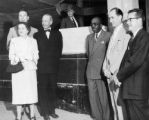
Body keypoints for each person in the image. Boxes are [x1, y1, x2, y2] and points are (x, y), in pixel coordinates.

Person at [113, 8, 149, 120]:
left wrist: (119, 76)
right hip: (131, 89)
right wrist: (118, 73)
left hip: (137, 90)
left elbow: (135, 61)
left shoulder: (144, 36)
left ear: (139, 20)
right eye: (127, 20)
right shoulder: (133, 38)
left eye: (130, 19)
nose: (127, 22)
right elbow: (126, 61)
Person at [102, 8, 130, 120]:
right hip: (109, 74)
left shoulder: (125, 32)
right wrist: (105, 68)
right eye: (109, 18)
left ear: (120, 17)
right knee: (113, 103)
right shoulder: (114, 33)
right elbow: (108, 53)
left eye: (112, 17)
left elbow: (123, 54)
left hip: (117, 74)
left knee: (119, 104)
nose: (110, 20)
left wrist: (113, 71)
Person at [34, 14, 63, 120]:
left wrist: (55, 64)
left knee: (52, 89)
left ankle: (52, 111)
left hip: (53, 67)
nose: (43, 23)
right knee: (43, 90)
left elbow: (59, 50)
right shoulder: (36, 35)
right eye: (42, 21)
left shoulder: (57, 34)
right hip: (41, 68)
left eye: (46, 21)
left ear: (51, 22)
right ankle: (45, 112)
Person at [9, 22, 39, 120]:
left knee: (31, 92)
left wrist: (33, 60)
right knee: (19, 92)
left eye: (23, 28)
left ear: (27, 30)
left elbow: (36, 55)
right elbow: (11, 56)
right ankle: (18, 116)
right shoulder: (13, 40)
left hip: (30, 69)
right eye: (19, 29)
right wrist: (18, 58)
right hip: (19, 69)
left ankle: (32, 115)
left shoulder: (33, 41)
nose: (21, 30)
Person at [86, 17, 111, 120]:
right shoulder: (89, 37)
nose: (93, 26)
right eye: (92, 24)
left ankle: (106, 117)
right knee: (93, 98)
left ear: (101, 25)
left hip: (101, 72)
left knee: (103, 98)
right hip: (90, 71)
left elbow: (109, 55)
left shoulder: (108, 35)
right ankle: (97, 117)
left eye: (96, 24)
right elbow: (88, 54)